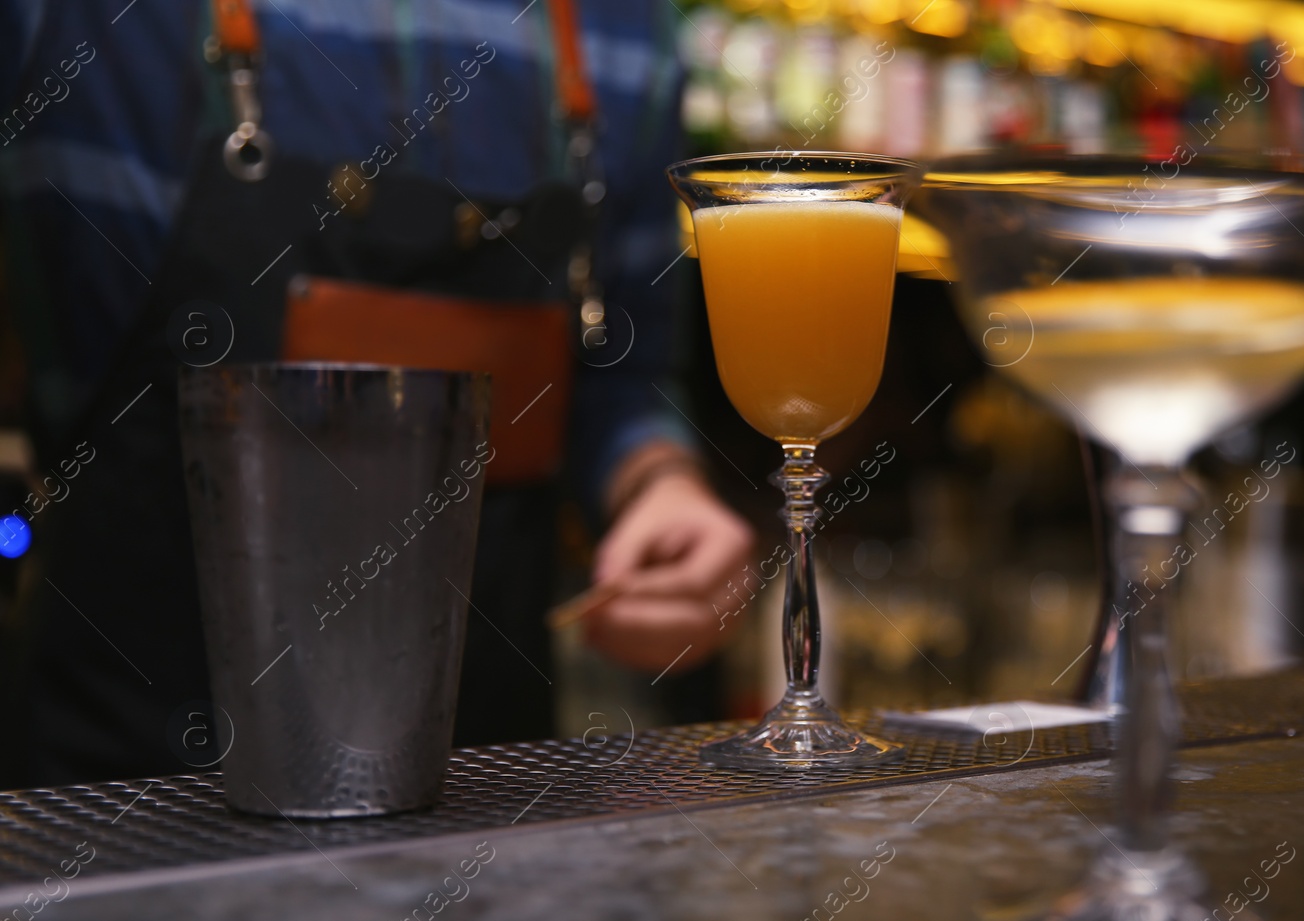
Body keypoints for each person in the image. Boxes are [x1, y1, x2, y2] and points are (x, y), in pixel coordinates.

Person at [0, 0, 754, 785]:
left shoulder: (622, 28)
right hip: (124, 808)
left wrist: (658, 484)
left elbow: (621, 375)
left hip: (487, 806)